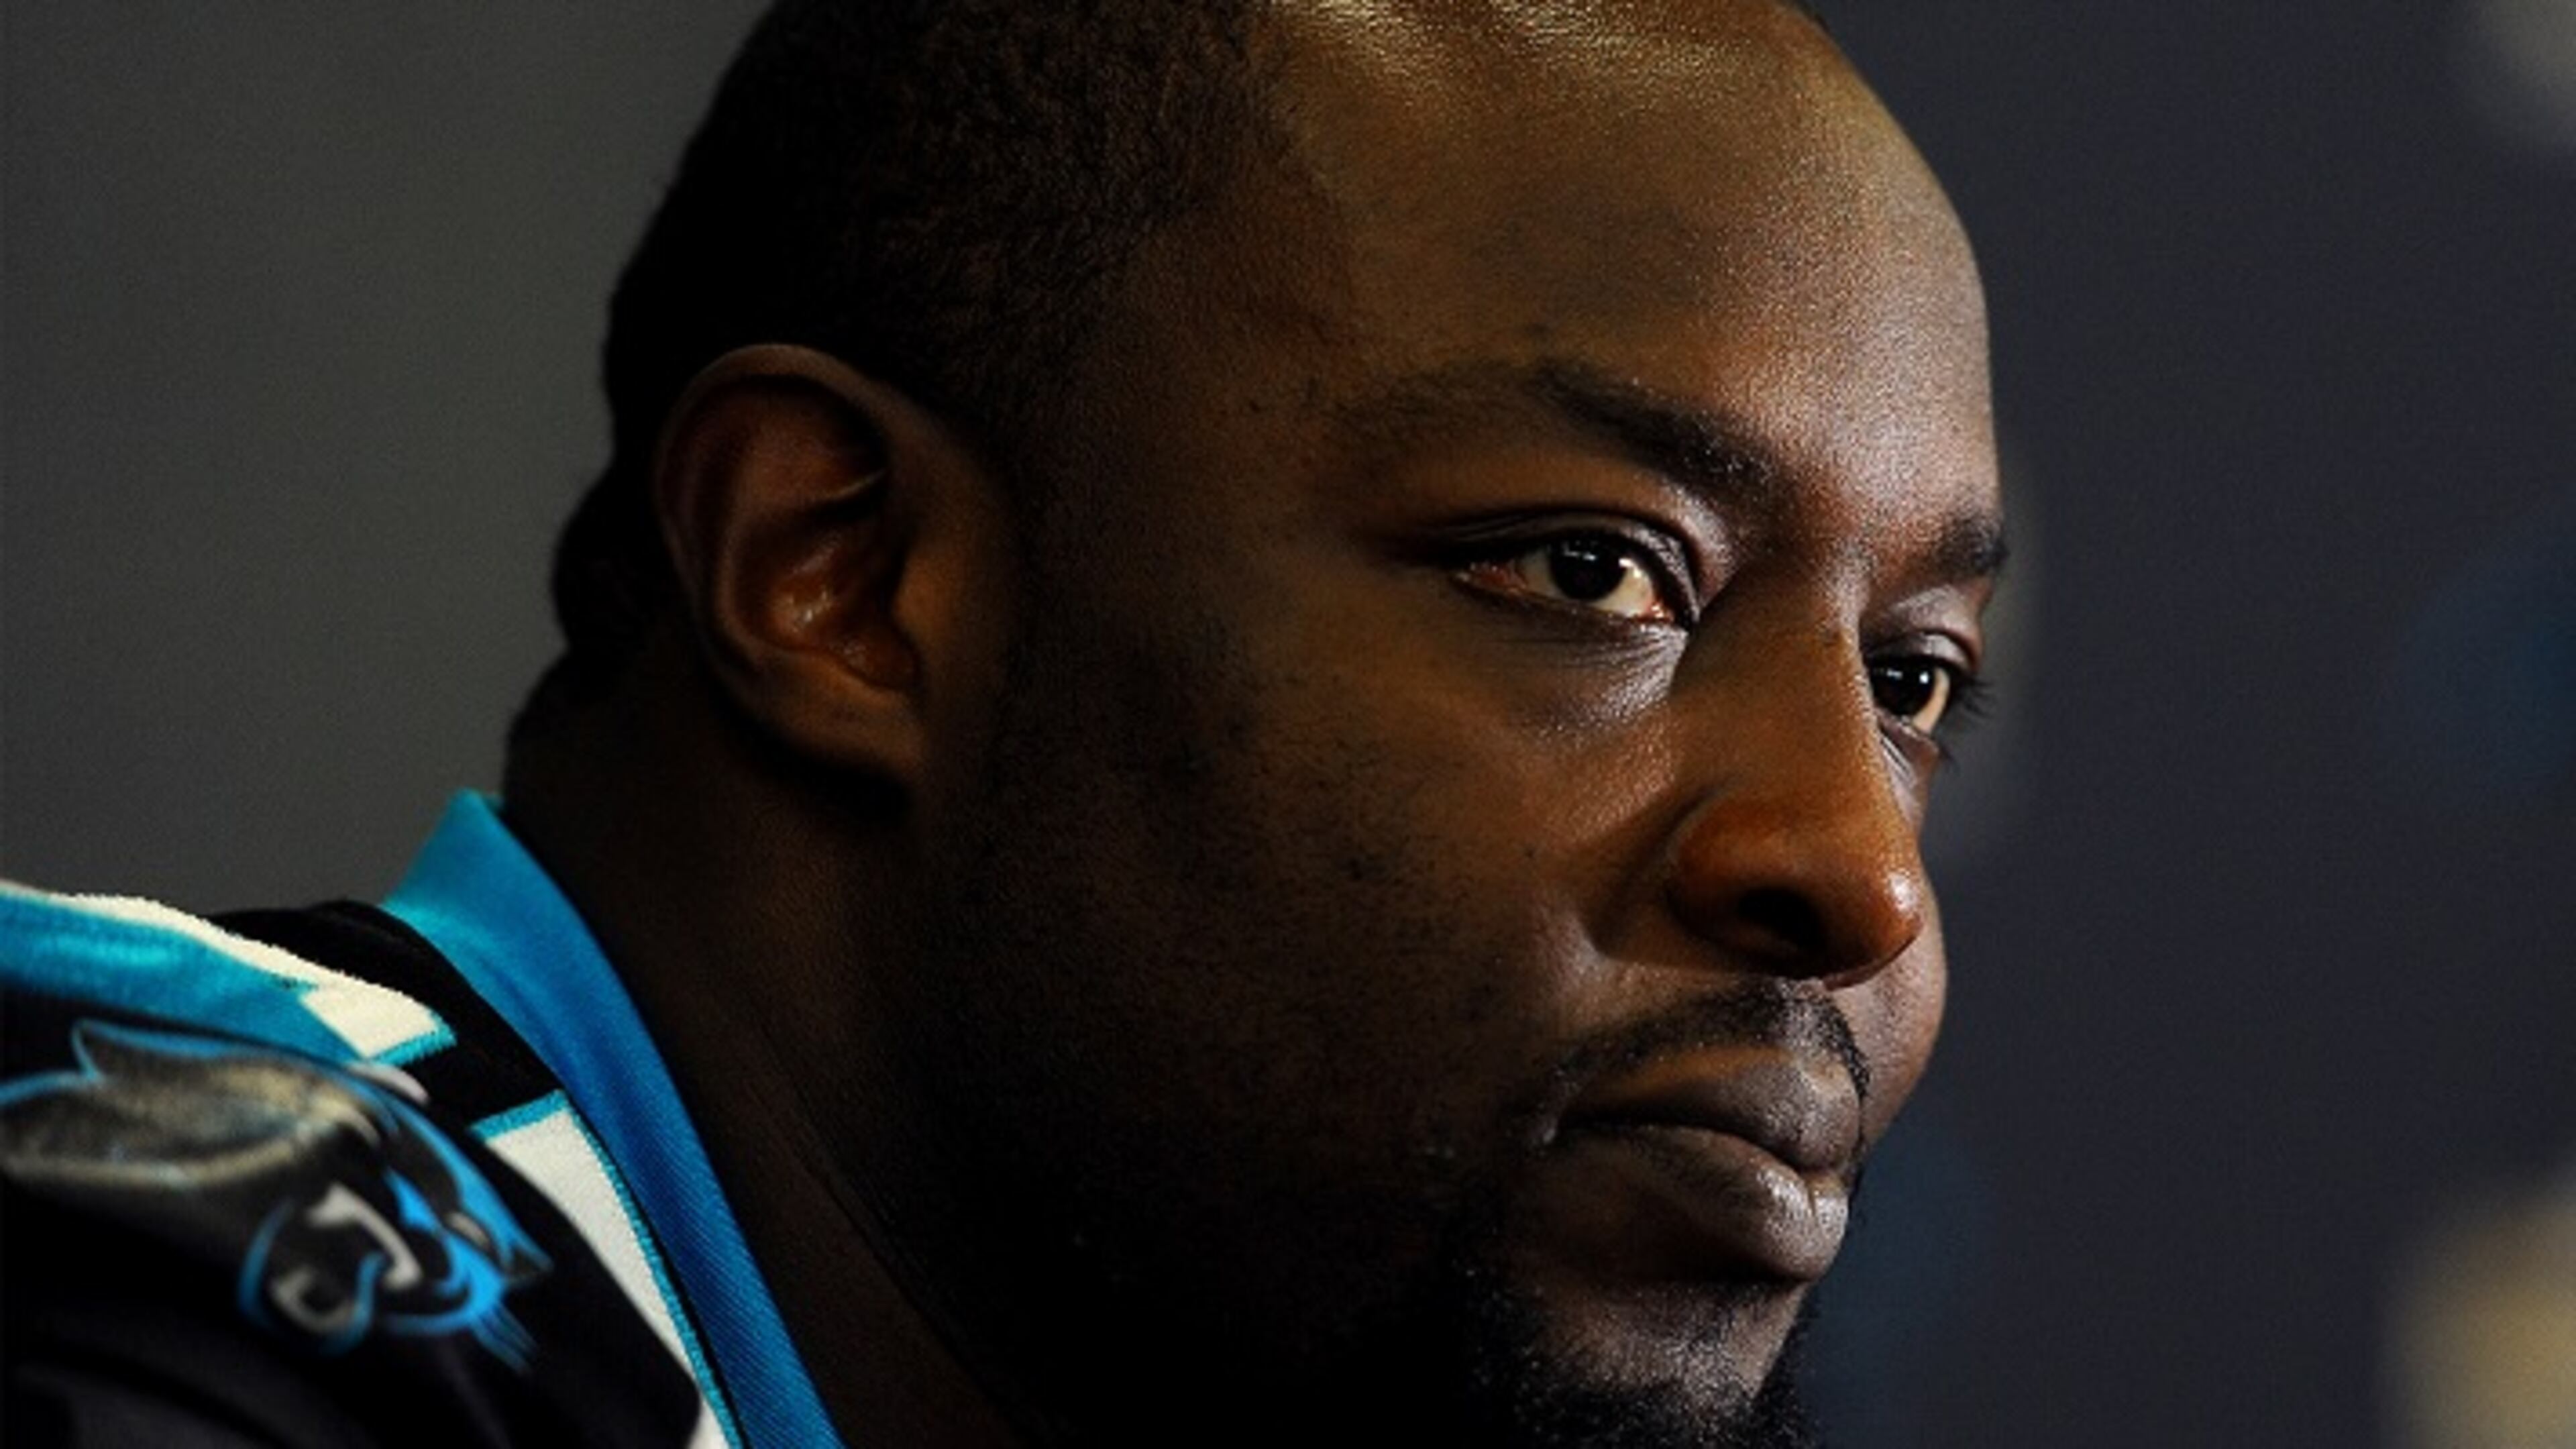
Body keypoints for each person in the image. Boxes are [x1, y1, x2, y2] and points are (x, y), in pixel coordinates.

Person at [0, 0, 2006, 1443]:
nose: (1863, 872)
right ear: (841, 574)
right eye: (1593, 573)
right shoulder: (170, 1300)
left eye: (1915, 679)